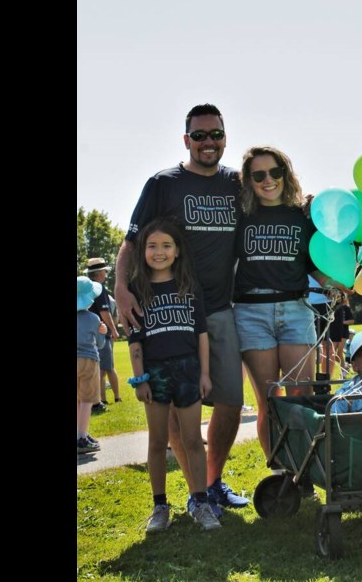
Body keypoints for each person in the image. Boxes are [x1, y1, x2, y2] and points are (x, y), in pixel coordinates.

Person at [114, 103, 250, 513]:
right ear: (186, 139)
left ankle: (212, 483)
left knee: (228, 398)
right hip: (167, 308)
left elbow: (270, 204)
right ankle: (196, 494)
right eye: (200, 135)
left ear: (225, 137)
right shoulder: (163, 183)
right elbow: (132, 240)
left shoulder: (236, 184)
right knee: (174, 404)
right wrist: (121, 288)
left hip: (219, 308)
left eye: (216, 134)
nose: (208, 142)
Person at [232, 145, 345, 461]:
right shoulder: (242, 216)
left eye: (274, 172)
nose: (268, 180)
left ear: (285, 173)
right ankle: (280, 473)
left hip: (296, 311)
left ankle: (304, 470)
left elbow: (312, 264)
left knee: (301, 398)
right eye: (259, 175)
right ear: (249, 180)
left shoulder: (301, 216)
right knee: (269, 401)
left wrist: (336, 283)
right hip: (251, 313)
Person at [126, 218, 221, 532]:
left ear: (177, 251)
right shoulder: (137, 290)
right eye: (152, 246)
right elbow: (135, 341)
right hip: (156, 374)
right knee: (158, 441)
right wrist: (140, 380)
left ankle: (201, 502)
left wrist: (205, 374)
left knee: (193, 440)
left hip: (188, 370)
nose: (159, 252)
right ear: (143, 252)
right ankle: (159, 507)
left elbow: (202, 336)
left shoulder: (190, 288)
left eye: (166, 245)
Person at [77, 276, 108, 454]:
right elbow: (101, 344)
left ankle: (79, 433)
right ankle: (81, 438)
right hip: (88, 360)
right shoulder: (94, 319)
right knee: (87, 400)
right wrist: (102, 332)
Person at [86, 257, 121, 409]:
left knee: (98, 368)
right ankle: (114, 398)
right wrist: (113, 329)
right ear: (100, 273)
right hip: (101, 332)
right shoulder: (99, 289)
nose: (106, 273)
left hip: (88, 333)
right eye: (105, 271)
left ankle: (102, 398)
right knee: (107, 367)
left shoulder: (86, 289)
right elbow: (105, 312)